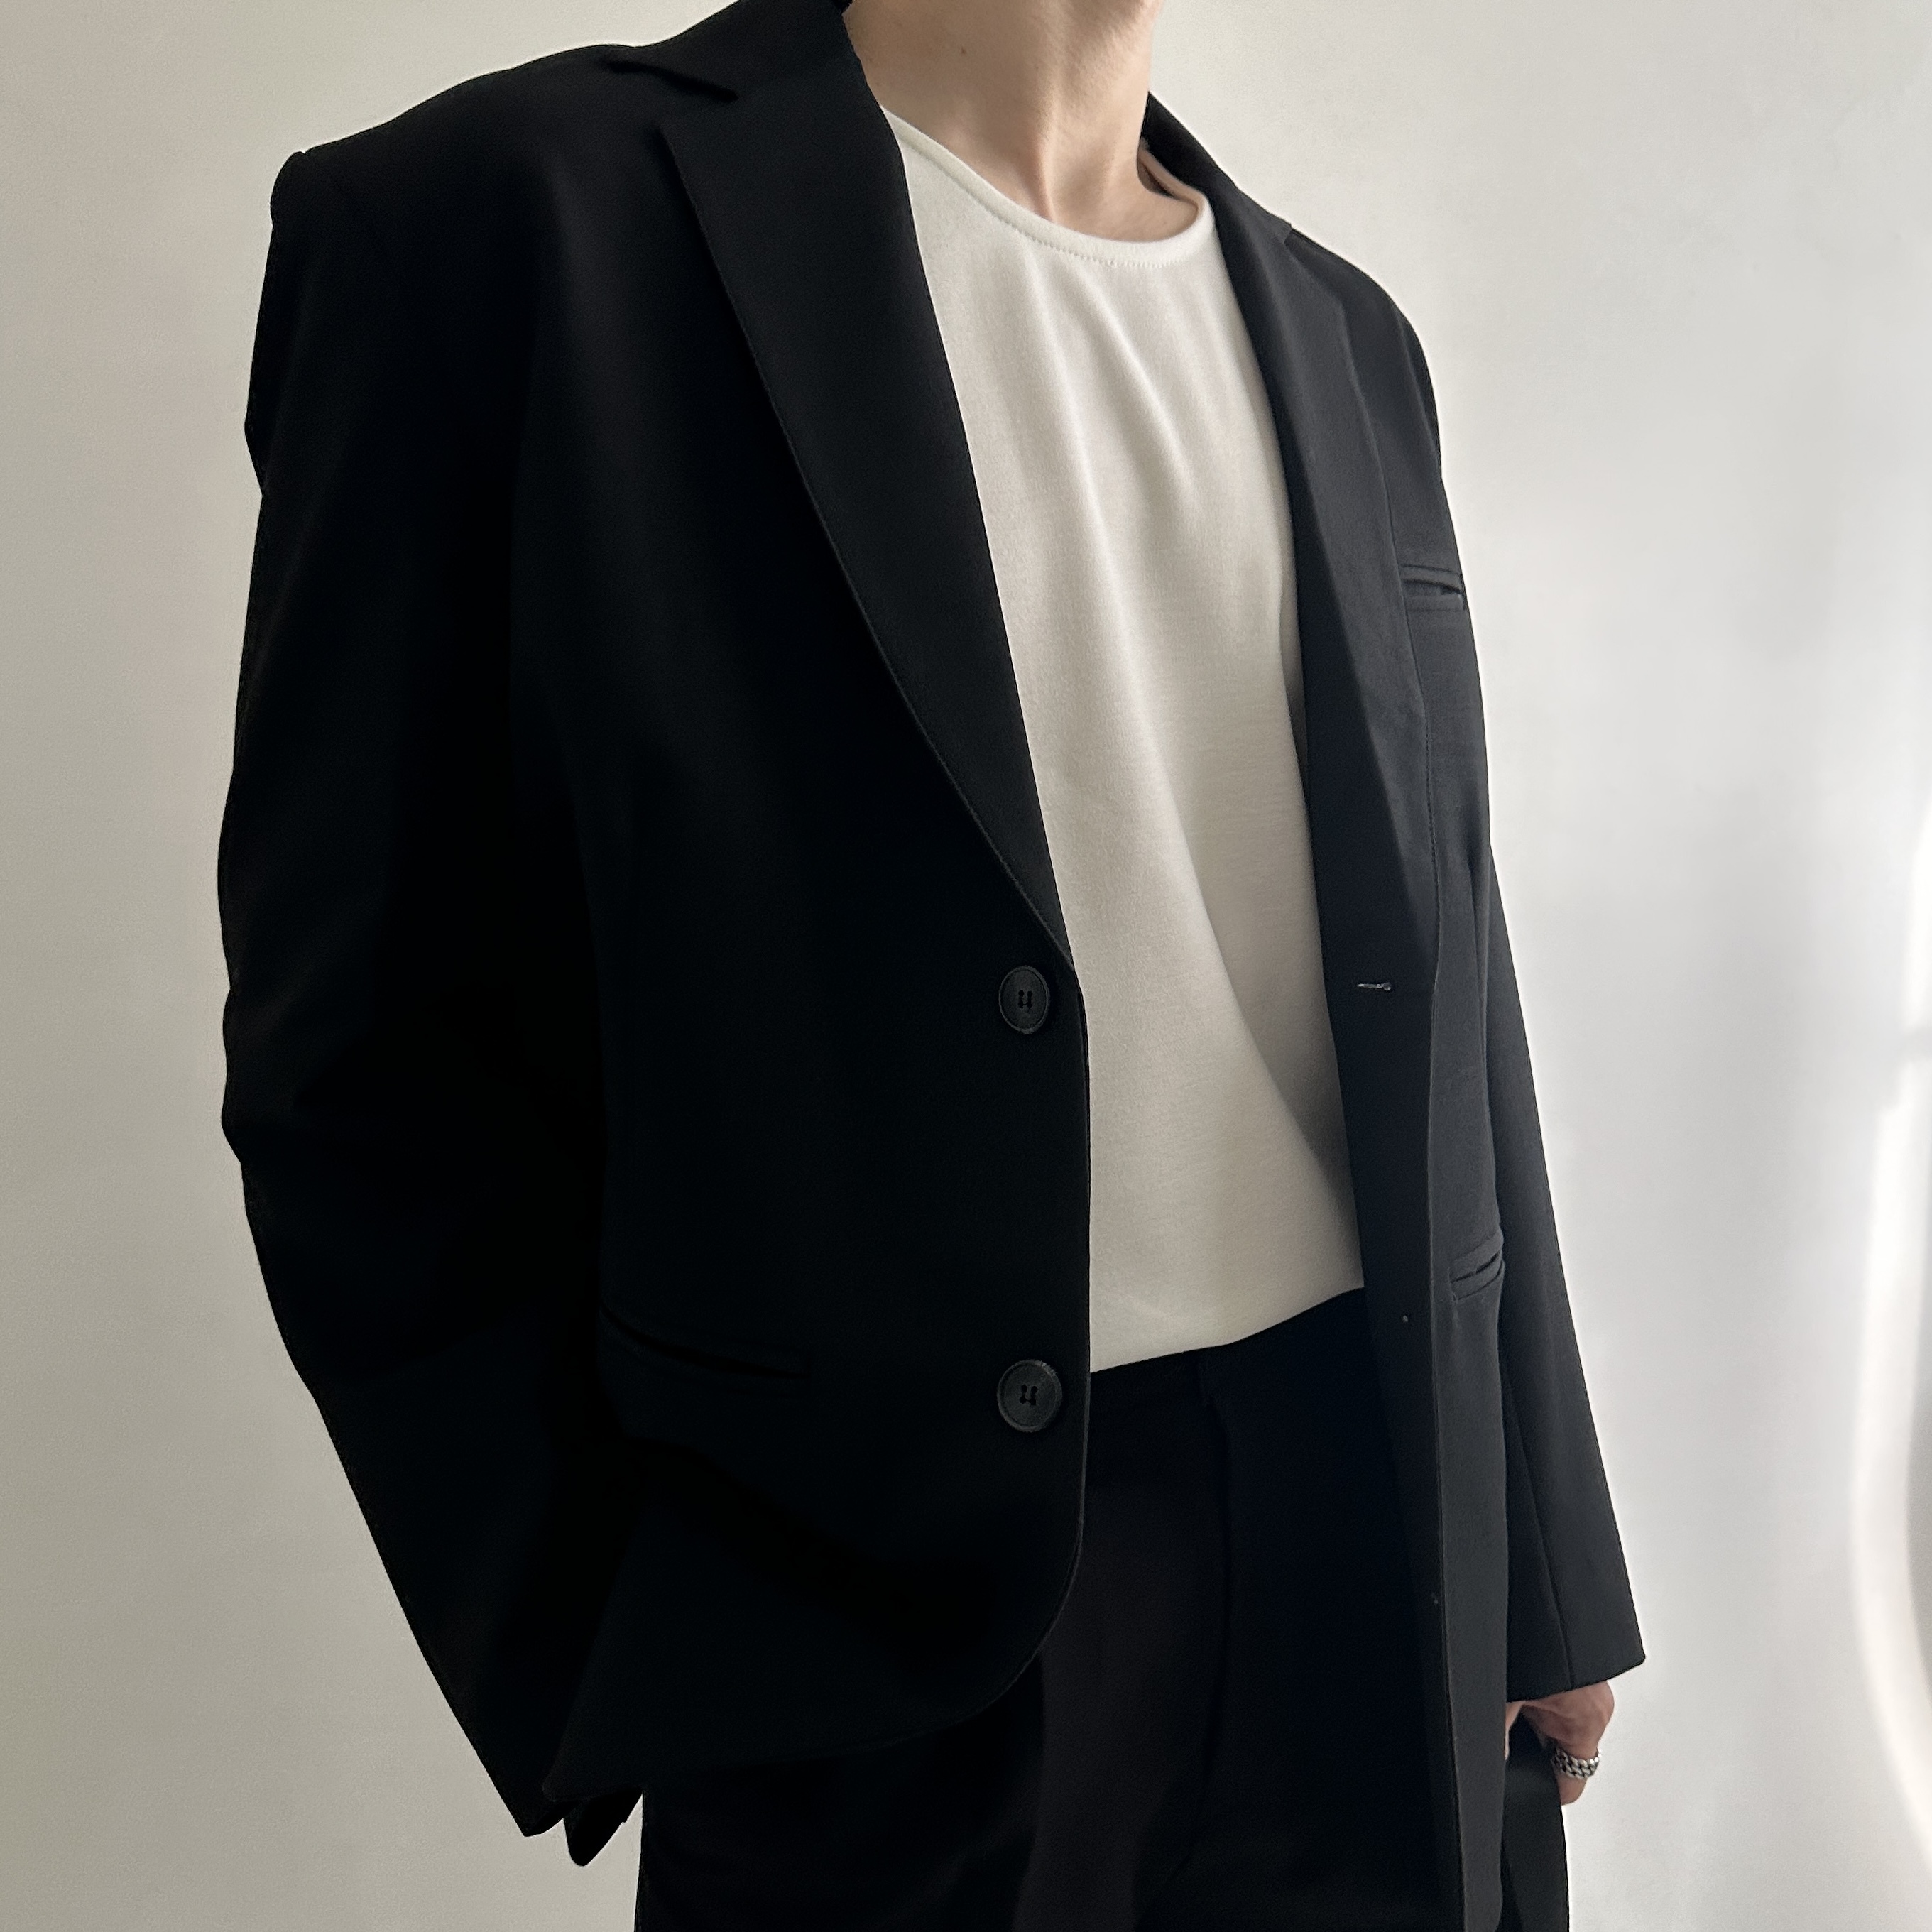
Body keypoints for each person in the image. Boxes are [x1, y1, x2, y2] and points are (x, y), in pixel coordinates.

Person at [218, 0, 1643, 1923]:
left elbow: (1451, 969)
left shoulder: (1342, 332)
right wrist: (621, 1635)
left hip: (1377, 1538)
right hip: (871, 1615)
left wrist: (1543, 1561)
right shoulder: (510, 230)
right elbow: (359, 1040)